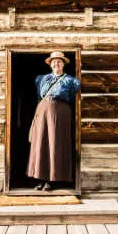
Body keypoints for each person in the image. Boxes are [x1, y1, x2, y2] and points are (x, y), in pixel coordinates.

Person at [27, 51, 80, 190]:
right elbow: (39, 96)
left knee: (55, 143)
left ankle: (52, 180)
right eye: (54, 62)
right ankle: (40, 178)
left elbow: (74, 97)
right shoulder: (42, 79)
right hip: (43, 111)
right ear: (50, 65)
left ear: (63, 64)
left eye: (59, 61)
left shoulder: (71, 81)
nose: (56, 64)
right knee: (41, 143)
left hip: (60, 113)